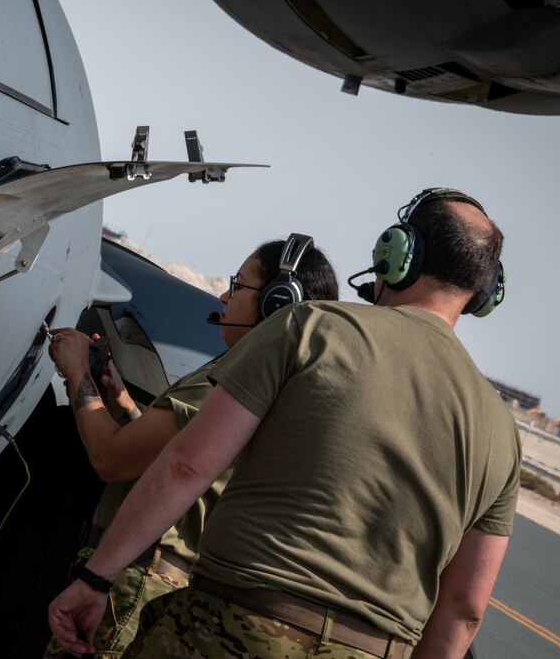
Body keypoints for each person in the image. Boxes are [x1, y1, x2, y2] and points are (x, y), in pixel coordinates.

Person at [47, 188, 520, 659]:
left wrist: (96, 577)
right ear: (483, 291)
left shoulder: (312, 328)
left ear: (399, 253)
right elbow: (464, 610)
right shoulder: (502, 431)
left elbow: (187, 466)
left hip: (238, 623)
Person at [43, 235, 339, 658]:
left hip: (135, 572)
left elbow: (110, 459)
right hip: (155, 575)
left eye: (238, 286)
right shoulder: (276, 389)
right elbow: (167, 454)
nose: (224, 295)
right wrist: (121, 402)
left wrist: (76, 373)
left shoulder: (230, 381)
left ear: (276, 303)